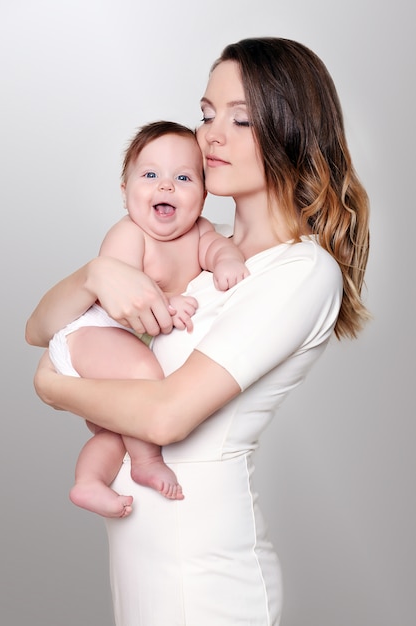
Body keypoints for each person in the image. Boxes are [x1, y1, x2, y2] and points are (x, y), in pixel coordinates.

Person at [26, 37, 370, 626]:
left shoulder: (300, 272)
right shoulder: (194, 253)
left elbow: (165, 419)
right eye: (207, 114)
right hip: (144, 556)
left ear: (291, 130)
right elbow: (39, 328)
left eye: (240, 119)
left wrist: (53, 389)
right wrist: (97, 273)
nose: (210, 135)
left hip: (204, 574)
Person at [48, 120, 250, 518]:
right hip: (92, 333)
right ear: (126, 193)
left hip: (120, 344)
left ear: (204, 196)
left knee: (118, 430)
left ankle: (89, 481)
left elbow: (216, 250)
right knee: (144, 376)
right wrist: (168, 302)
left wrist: (228, 261)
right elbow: (120, 293)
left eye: (183, 177)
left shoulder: (200, 232)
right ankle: (146, 464)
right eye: (151, 175)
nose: (166, 186)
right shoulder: (129, 235)